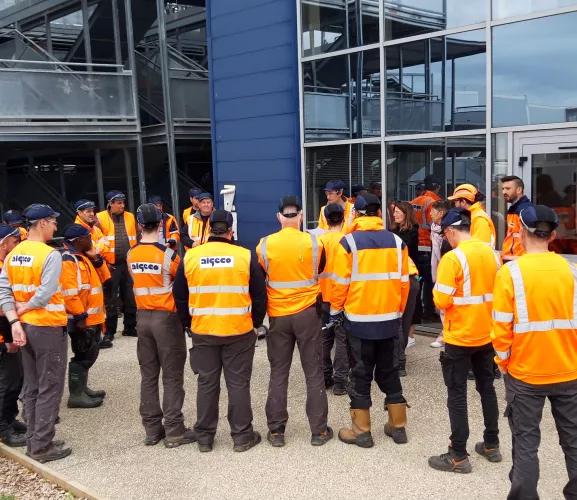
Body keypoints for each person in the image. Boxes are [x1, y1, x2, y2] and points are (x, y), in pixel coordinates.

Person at [492, 205, 577, 499]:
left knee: (526, 441)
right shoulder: (572, 271)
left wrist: (503, 363)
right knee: (575, 441)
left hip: (525, 372)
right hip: (569, 370)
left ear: (521, 233)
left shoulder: (511, 273)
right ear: (553, 234)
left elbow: (501, 328)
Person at [174, 209, 267, 452]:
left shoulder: (191, 257)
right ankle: (242, 436)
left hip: (203, 330)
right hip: (238, 330)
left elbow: (180, 296)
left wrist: (188, 324)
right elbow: (259, 295)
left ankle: (204, 437)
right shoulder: (245, 256)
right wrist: (256, 323)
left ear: (208, 230)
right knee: (238, 383)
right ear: (230, 230)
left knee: (206, 383)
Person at [331, 193, 410, 448]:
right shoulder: (397, 241)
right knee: (389, 371)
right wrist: (397, 312)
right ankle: (398, 427)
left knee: (361, 374)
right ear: (379, 214)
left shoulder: (349, 243)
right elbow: (404, 283)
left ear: (357, 214)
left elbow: (341, 283)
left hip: (359, 322)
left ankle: (361, 431)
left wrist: (335, 310)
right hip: (389, 320)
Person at [428, 208, 501, 474]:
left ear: (449, 232)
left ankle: (458, 454)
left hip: (459, 336)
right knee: (487, 388)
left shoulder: (453, 258)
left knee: (457, 394)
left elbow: (442, 299)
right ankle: (491, 444)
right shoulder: (493, 255)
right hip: (486, 334)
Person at [257, 196, 332, 447]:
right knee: (313, 372)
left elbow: (261, 276)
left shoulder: (264, 245)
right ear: (300, 216)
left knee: (279, 372)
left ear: (279, 217)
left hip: (278, 315)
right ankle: (318, 431)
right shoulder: (314, 242)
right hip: (307, 314)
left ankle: (277, 432)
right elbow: (320, 268)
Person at [0, 204, 71, 463]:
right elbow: (45, 292)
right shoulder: (50, 255)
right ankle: (42, 446)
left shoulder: (13, 254)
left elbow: (4, 291)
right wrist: (26, 307)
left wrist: (15, 321)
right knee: (49, 386)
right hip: (47, 327)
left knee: (31, 387)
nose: (55, 226)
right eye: (53, 222)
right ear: (41, 223)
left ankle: (35, 439)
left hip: (25, 328)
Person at [126, 204, 194, 448]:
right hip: (166, 319)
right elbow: (181, 283)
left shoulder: (131, 254)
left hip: (142, 318)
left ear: (140, 226)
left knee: (148, 375)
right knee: (172, 376)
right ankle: (175, 430)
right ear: (161, 225)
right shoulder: (168, 256)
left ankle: (152, 429)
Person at [60, 224, 110, 409]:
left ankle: (82, 388)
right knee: (83, 354)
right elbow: (69, 292)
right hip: (82, 319)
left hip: (93, 318)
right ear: (78, 240)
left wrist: (96, 258)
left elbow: (106, 277)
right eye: (88, 237)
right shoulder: (68, 260)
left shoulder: (83, 257)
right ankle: (76, 395)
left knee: (90, 353)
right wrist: (79, 316)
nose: (91, 240)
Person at [97, 191, 138, 345]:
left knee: (130, 296)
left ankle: (130, 327)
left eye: (123, 202)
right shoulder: (100, 218)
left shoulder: (130, 216)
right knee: (110, 299)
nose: (122, 205)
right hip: (110, 265)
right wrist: (103, 262)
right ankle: (109, 331)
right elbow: (96, 241)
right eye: (119, 202)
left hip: (128, 263)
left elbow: (136, 237)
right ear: (110, 203)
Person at [318, 203, 348, 395]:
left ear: (326, 220)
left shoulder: (318, 241)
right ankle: (340, 383)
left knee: (324, 340)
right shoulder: (348, 241)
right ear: (343, 219)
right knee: (342, 341)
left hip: (322, 297)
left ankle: (324, 376)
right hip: (343, 298)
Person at [0, 224, 26, 447]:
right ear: (4, 243)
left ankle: (10, 418)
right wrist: (7, 339)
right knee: (6, 383)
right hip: (3, 336)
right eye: (14, 242)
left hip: (8, 332)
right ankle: (3, 428)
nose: (16, 245)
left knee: (15, 379)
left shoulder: (4, 265)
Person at [389, 201, 420, 361]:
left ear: (406, 213)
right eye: (394, 212)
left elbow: (407, 250)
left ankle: (402, 351)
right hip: (395, 275)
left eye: (398, 212)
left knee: (407, 314)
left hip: (408, 274)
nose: (395, 214)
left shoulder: (412, 231)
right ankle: (398, 353)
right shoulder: (392, 230)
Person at [411, 175, 442, 321]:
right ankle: (428, 311)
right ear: (437, 187)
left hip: (416, 246)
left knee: (419, 279)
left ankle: (415, 310)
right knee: (430, 280)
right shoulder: (434, 203)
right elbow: (434, 225)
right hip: (428, 248)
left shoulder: (414, 201)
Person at [429, 199, 452, 348]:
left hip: (447, 267)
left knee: (447, 304)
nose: (430, 214)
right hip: (438, 266)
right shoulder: (434, 228)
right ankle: (445, 332)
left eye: (433, 211)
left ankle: (446, 334)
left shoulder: (449, 230)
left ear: (441, 213)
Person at [448, 184, 496, 248]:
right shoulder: (473, 215)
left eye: (455, 201)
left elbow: (481, 248)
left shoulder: (479, 218)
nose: (455, 205)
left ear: (463, 202)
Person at [501, 176, 534, 262]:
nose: (504, 192)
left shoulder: (526, 210)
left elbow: (534, 239)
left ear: (519, 190)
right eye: (503, 189)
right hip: (512, 259)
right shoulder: (513, 209)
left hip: (521, 262)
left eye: (508, 189)